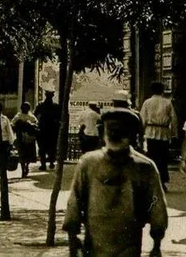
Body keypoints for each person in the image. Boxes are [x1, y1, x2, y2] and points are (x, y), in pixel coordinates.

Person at [64, 107, 167, 257]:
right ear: (102, 132)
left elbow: (157, 206)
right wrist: (73, 238)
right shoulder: (88, 164)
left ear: (132, 135)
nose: (114, 133)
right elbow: (74, 201)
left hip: (129, 246)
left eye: (121, 130)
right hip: (93, 245)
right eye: (110, 129)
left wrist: (156, 245)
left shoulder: (144, 167)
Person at [140, 81, 177, 191]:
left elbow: (143, 119)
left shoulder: (147, 103)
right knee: (163, 158)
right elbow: (174, 119)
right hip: (163, 133)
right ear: (162, 90)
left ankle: (152, 181)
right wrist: (174, 134)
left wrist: (141, 133)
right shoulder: (167, 103)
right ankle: (162, 181)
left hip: (151, 132)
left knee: (152, 157)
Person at [34, 89, 61, 171]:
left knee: (42, 148)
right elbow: (60, 118)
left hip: (43, 130)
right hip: (53, 130)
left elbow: (35, 116)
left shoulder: (40, 105)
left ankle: (43, 165)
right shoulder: (56, 106)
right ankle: (51, 163)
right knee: (52, 147)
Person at [12, 102, 39, 179]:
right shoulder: (18, 116)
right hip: (22, 138)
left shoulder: (31, 117)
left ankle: (26, 166)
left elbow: (36, 125)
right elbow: (13, 124)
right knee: (23, 154)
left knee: (27, 154)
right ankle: (23, 167)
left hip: (28, 138)